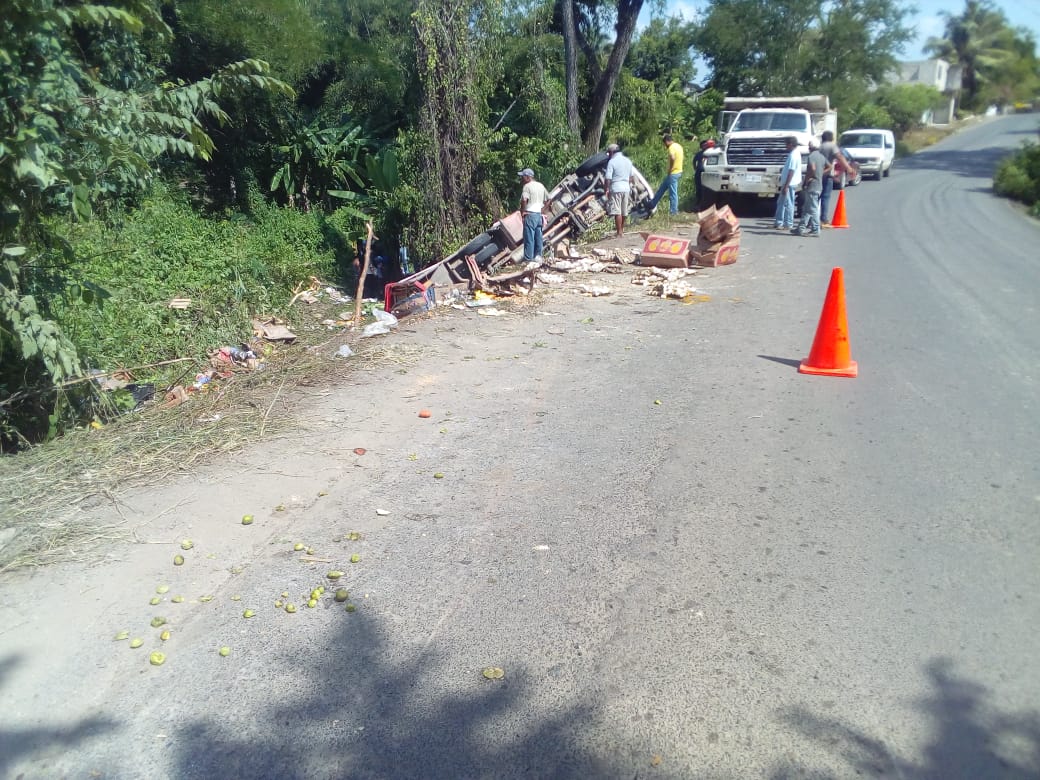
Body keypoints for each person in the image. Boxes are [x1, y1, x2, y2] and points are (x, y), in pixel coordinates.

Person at [818, 130, 858, 226]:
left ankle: (812, 218)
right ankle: (823, 219)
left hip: (817, 174)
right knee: (825, 197)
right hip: (827, 174)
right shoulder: (832, 146)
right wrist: (848, 168)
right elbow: (839, 157)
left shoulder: (819, 147)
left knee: (816, 197)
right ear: (831, 138)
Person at [793, 140, 827, 237]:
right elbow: (829, 166)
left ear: (811, 147)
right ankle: (801, 228)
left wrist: (807, 180)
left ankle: (816, 229)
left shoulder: (812, 156)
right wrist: (820, 174)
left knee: (813, 208)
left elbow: (812, 169)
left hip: (812, 185)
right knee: (807, 208)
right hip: (819, 185)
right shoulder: (821, 156)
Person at [647, 134, 684, 215]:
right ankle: (652, 204)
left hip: (673, 173)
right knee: (662, 188)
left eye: (665, 143)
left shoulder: (671, 147)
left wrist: (670, 168)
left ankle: (674, 212)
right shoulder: (679, 146)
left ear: (667, 141)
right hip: (678, 171)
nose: (665, 145)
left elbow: (672, 158)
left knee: (673, 193)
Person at [518, 167, 548, 263]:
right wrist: (542, 210)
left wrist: (523, 211)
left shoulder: (527, 186)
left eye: (523, 176)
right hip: (538, 215)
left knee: (529, 238)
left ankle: (528, 259)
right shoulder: (541, 186)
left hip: (530, 215)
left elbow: (524, 200)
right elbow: (549, 199)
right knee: (538, 237)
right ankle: (538, 257)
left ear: (528, 177)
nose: (522, 178)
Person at [604, 143, 634, 238]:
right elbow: (631, 177)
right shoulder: (628, 161)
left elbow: (608, 178)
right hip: (626, 188)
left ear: (612, 152)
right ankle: (621, 230)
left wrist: (606, 189)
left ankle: (619, 233)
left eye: (609, 153)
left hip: (616, 188)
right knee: (624, 211)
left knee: (617, 211)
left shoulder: (612, 162)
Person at [774, 136, 802, 230]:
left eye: (786, 144)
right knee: (781, 202)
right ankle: (778, 222)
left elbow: (791, 171)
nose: (786, 146)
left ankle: (788, 223)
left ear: (790, 144)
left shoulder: (793, 155)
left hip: (789, 183)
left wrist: (786, 185)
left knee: (788, 203)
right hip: (787, 183)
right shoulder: (794, 153)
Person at [692, 138, 715, 208]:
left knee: (705, 189)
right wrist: (695, 168)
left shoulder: (711, 153)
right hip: (700, 172)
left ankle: (704, 203)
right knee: (699, 188)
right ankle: (699, 203)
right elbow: (694, 161)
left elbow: (694, 161)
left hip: (706, 172)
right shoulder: (700, 154)